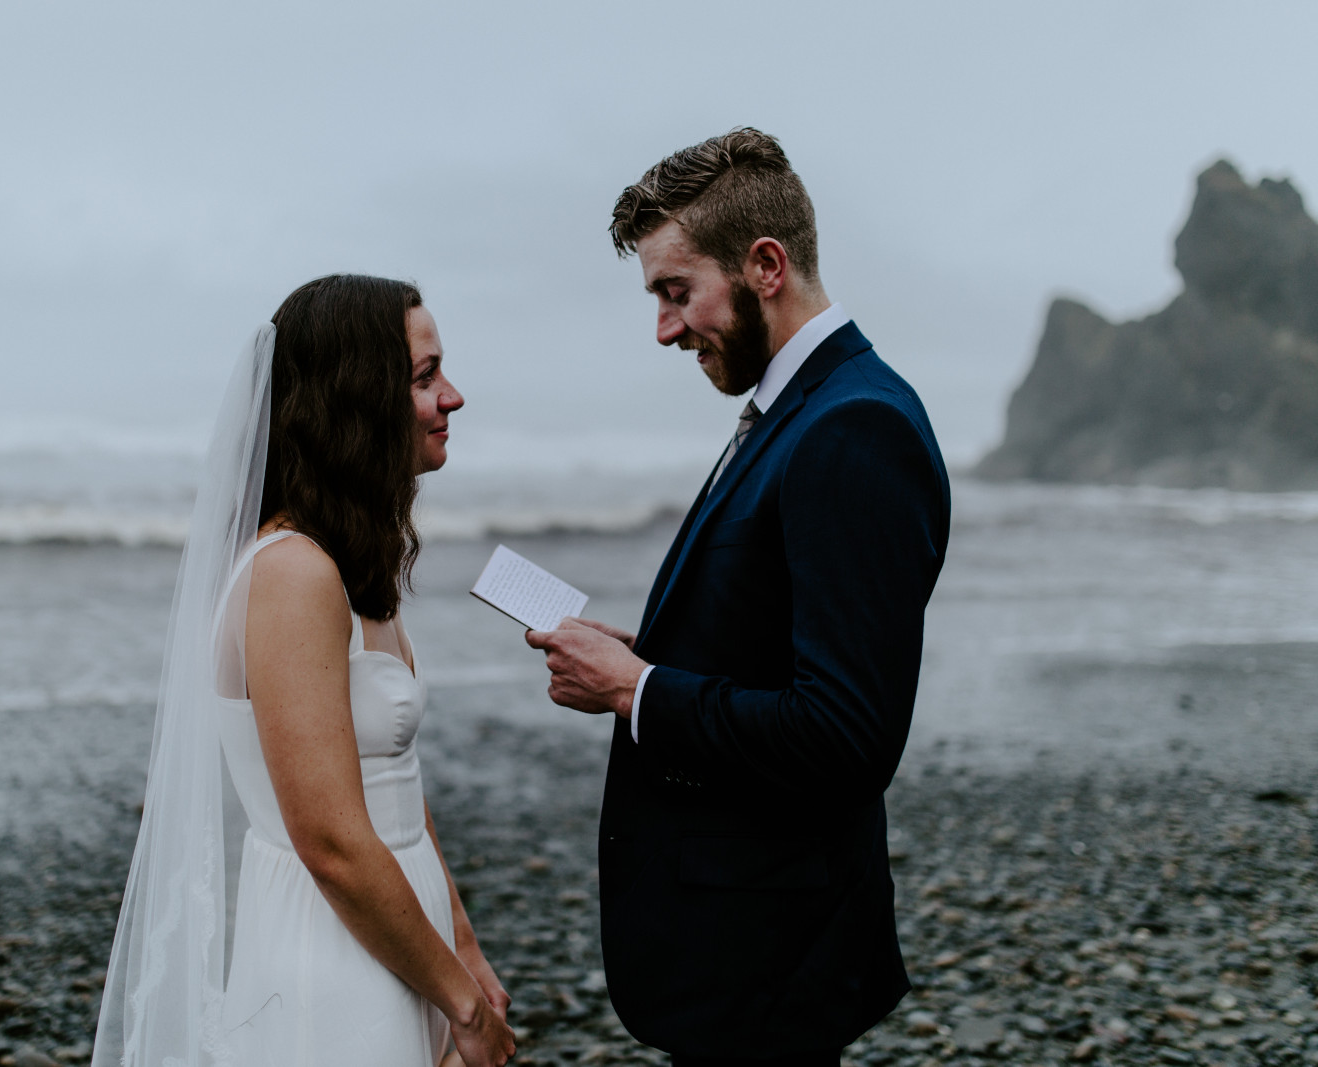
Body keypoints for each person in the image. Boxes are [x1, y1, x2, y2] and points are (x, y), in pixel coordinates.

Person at [526, 129, 951, 1065]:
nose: (666, 329)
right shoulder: (792, 409)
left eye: (677, 293)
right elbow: (782, 636)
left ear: (765, 265)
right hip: (753, 943)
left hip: (774, 957)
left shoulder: (856, 427)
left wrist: (638, 692)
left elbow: (845, 735)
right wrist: (649, 652)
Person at [94, 275, 516, 1067]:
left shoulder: (353, 564)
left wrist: (463, 946)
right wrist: (460, 1005)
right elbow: (326, 837)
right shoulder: (293, 575)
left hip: (403, 934)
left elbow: (396, 785)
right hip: (336, 950)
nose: (451, 397)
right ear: (359, 399)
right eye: (424, 378)